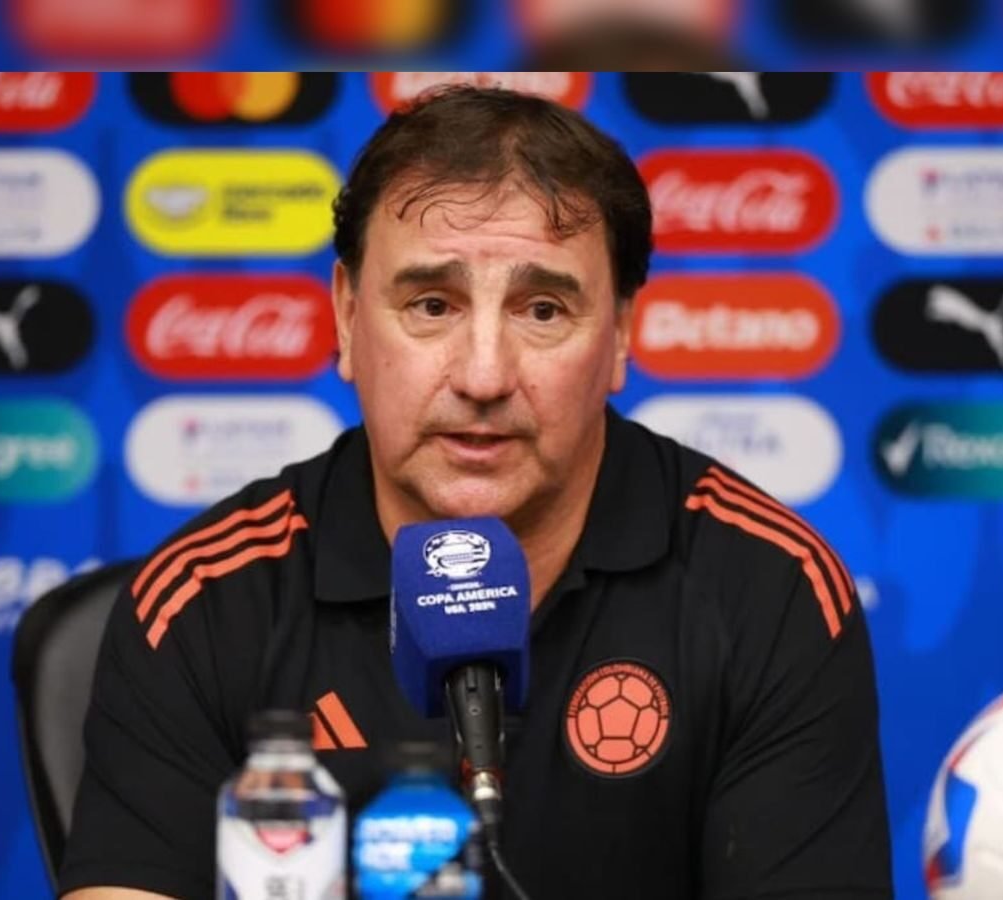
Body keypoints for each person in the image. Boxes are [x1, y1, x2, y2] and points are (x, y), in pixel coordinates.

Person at [61, 84, 892, 899]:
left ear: (620, 336)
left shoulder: (770, 587)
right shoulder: (203, 601)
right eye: (432, 305)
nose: (485, 375)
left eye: (542, 311)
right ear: (346, 317)